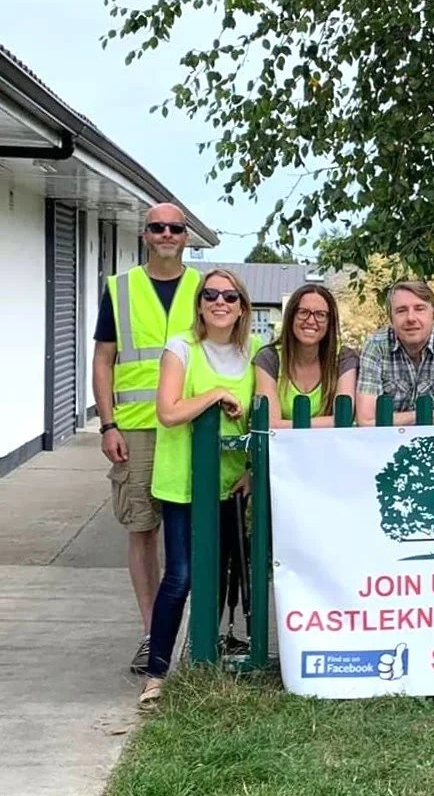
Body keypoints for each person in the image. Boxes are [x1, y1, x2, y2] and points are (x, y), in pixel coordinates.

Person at [138, 269, 259, 706]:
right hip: (184, 484)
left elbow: (256, 419)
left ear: (242, 306)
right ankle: (157, 672)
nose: (220, 302)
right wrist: (215, 394)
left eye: (230, 295)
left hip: (229, 484)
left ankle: (208, 658)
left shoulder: (255, 352)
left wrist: (251, 468)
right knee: (182, 576)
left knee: (224, 575)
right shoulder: (181, 348)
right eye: (211, 294)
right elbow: (168, 411)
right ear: (200, 303)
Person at [91, 203, 202, 673]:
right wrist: (107, 422)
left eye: (174, 228)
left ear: (185, 237)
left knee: (197, 531)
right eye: (157, 227)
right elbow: (103, 360)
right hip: (136, 428)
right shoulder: (120, 288)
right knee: (143, 529)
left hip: (193, 424)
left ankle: (196, 635)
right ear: (145, 235)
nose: (166, 234)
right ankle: (150, 633)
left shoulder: (205, 289)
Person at [355, 280, 434, 426]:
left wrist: (396, 420)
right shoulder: (375, 346)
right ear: (391, 318)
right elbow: (366, 421)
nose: (411, 318)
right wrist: (426, 415)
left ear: (433, 313)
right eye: (401, 310)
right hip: (385, 443)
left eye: (419, 308)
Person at [254, 284, 358, 427]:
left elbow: (343, 419)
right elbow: (271, 425)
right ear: (291, 316)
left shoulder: (344, 358)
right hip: (282, 448)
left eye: (320, 314)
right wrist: (325, 423)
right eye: (303, 312)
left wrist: (287, 425)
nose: (310, 321)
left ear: (330, 322)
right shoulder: (269, 358)